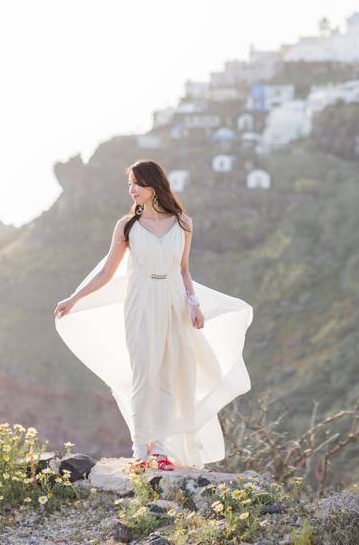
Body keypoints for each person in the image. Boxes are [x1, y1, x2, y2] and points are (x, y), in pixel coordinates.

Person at [53, 159, 253, 473]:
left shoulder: (184, 223)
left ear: (152, 184)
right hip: (141, 303)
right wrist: (75, 298)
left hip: (173, 302)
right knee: (144, 374)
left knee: (168, 376)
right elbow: (107, 271)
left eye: (137, 183)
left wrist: (194, 303)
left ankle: (160, 449)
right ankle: (139, 450)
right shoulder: (127, 225)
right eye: (129, 184)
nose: (131, 190)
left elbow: (184, 270)